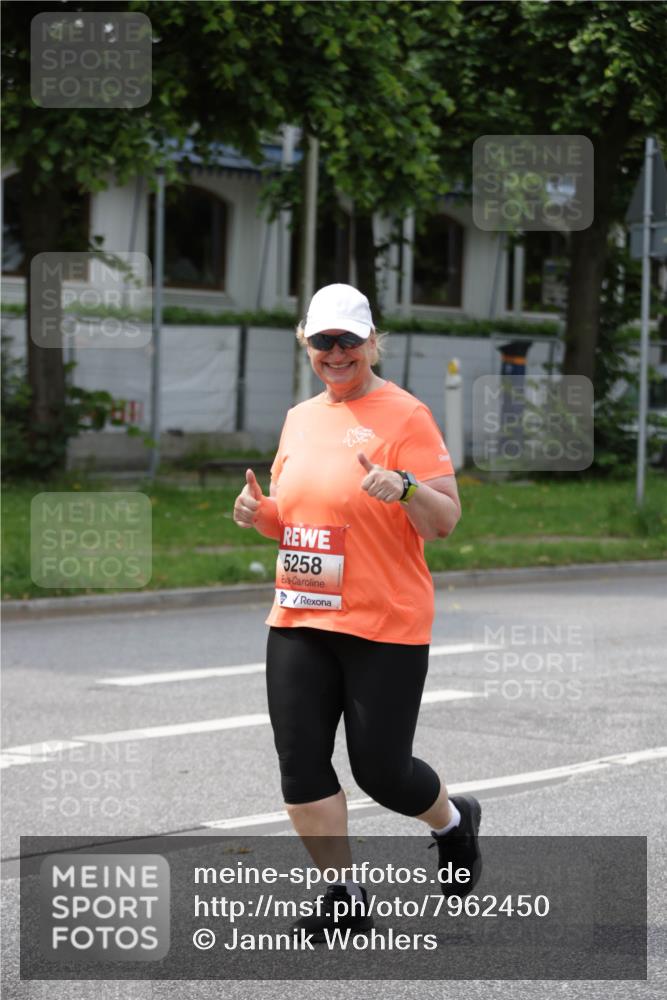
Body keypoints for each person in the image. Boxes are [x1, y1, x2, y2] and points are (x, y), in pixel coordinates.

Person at [233, 283, 481, 939]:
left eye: (348, 340)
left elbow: (445, 521)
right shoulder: (298, 418)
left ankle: (453, 823)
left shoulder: (406, 416)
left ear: (372, 342)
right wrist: (263, 517)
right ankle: (340, 893)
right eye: (323, 341)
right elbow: (299, 515)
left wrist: (403, 487)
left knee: (382, 773)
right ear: (305, 344)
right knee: (301, 766)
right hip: (300, 617)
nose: (335, 353)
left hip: (384, 624)